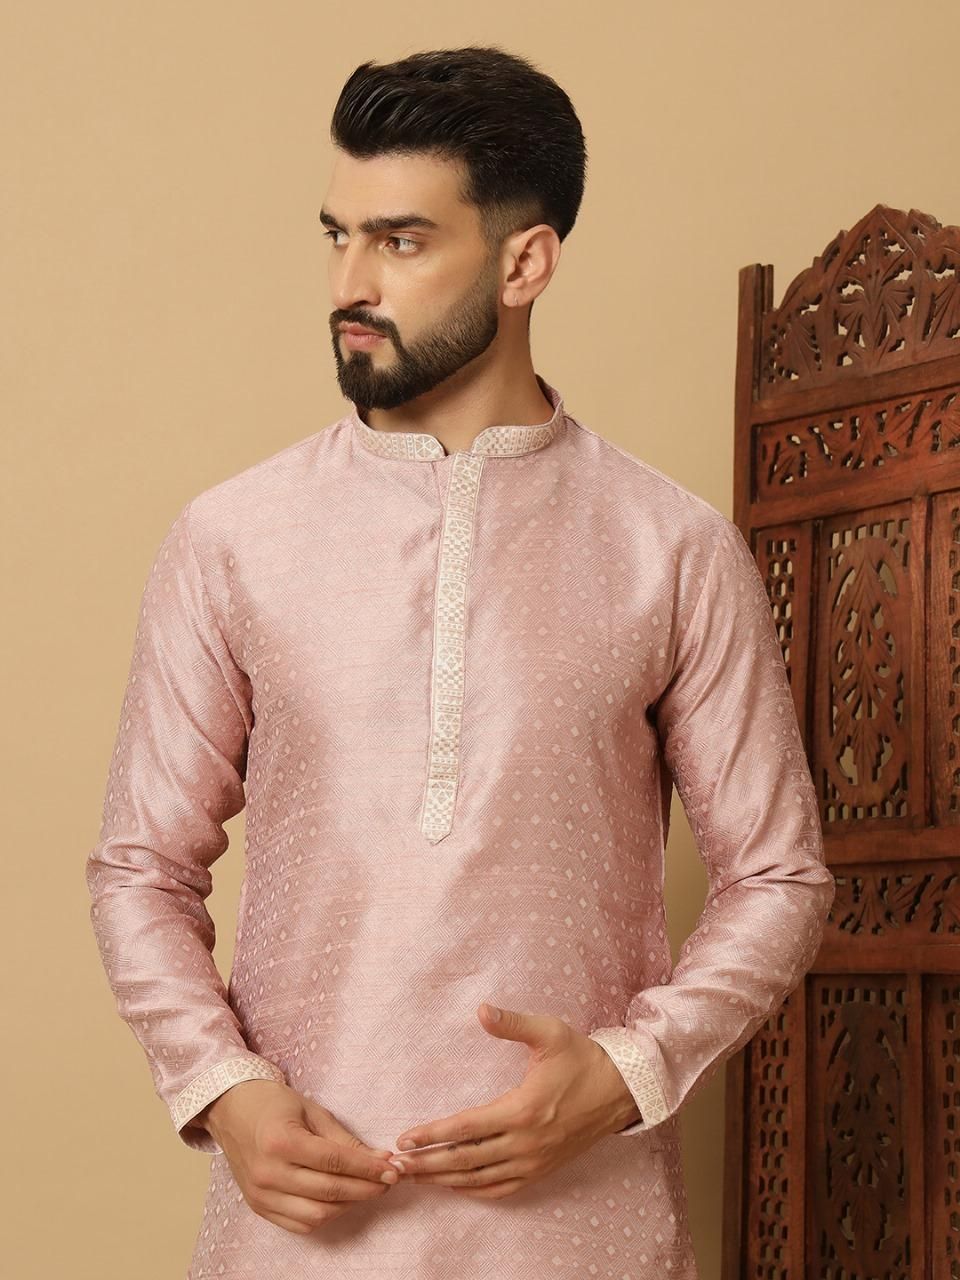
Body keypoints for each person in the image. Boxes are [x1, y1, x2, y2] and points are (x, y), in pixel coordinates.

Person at [85, 44, 836, 1280]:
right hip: (300, 1237)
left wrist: (630, 1068)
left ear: (524, 262)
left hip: (583, 1232)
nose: (351, 281)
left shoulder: (671, 548)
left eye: (401, 241)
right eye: (338, 236)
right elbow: (140, 867)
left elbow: (780, 874)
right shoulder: (233, 539)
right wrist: (224, 1087)